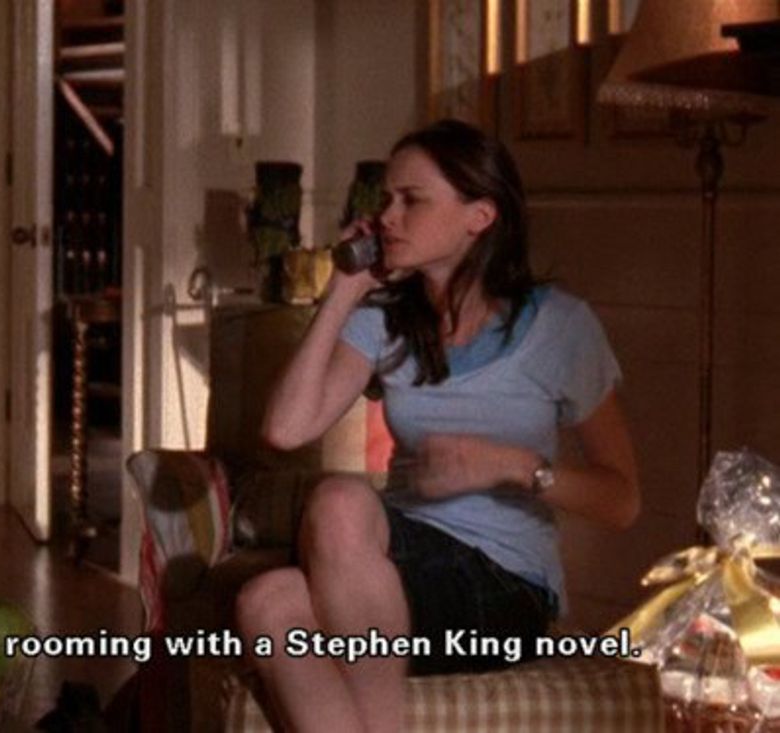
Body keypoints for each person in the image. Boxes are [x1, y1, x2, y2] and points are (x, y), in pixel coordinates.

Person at [234, 118, 639, 733]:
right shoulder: (385, 319)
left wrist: (511, 465)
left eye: (411, 200)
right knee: (266, 602)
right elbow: (286, 430)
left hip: (503, 582)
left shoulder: (560, 327)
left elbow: (622, 500)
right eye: (385, 201)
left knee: (339, 502)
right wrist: (342, 292)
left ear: (479, 216)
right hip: (392, 561)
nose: (387, 217)